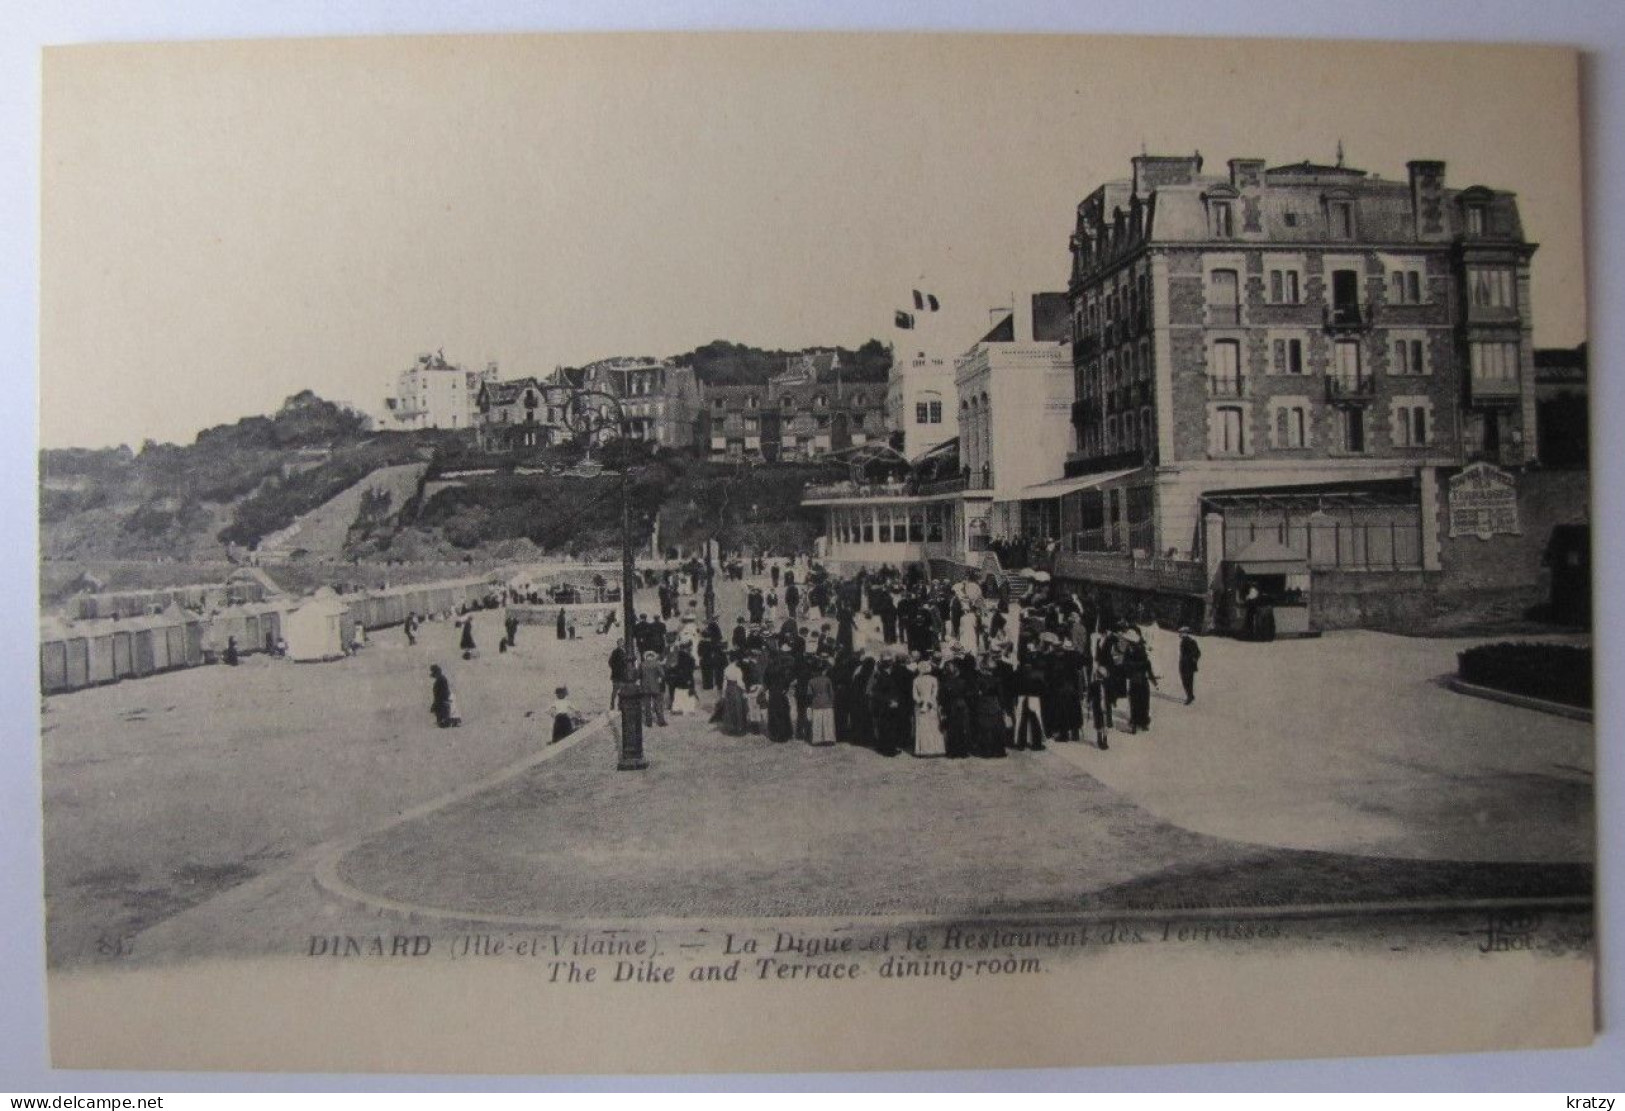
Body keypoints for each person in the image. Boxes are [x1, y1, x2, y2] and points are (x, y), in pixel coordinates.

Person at [911, 661, 945, 757]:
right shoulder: (933, 679)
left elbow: (914, 694)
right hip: (931, 703)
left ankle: (923, 750)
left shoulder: (916, 680)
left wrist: (920, 702)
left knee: (923, 727)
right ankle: (935, 749)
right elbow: (935, 692)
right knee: (933, 726)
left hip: (921, 704)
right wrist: (930, 701)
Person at [719, 654, 749, 736]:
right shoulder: (737, 669)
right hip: (736, 689)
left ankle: (730, 729)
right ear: (736, 660)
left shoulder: (726, 669)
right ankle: (739, 729)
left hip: (729, 689)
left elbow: (724, 682)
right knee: (738, 709)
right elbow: (739, 682)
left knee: (730, 708)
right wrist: (744, 689)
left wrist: (723, 694)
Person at [807, 662, 836, 746]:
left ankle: (817, 739)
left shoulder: (811, 681)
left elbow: (809, 694)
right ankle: (829, 739)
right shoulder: (827, 679)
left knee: (817, 722)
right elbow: (831, 692)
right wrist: (832, 701)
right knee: (827, 722)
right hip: (827, 702)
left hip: (816, 703)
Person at [640, 651, 667, 728]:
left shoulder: (642, 664)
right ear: (653, 657)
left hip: (645, 687)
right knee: (658, 704)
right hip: (655, 686)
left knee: (647, 705)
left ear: (646, 657)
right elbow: (663, 674)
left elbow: (638, 675)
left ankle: (649, 723)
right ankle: (661, 721)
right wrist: (659, 678)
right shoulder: (656, 664)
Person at [1178, 627, 1202, 705]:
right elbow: (1197, 653)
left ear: (1185, 633)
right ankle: (1190, 695)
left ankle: (1190, 697)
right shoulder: (1187, 641)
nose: (1180, 634)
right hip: (1187, 665)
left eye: (1181, 632)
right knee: (1187, 681)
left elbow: (1197, 653)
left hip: (1187, 665)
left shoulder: (1189, 642)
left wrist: (1192, 659)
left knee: (1187, 681)